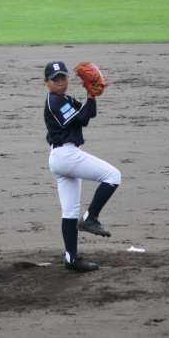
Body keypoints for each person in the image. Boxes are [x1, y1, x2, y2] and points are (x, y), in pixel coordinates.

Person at [43, 61, 121, 272]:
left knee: (69, 212)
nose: (60, 83)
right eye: (55, 80)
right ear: (46, 82)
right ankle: (89, 218)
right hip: (67, 156)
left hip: (61, 158)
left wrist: (91, 95)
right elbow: (84, 120)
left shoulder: (65, 99)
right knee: (113, 175)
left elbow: (90, 113)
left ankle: (71, 258)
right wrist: (90, 96)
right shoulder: (55, 102)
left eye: (63, 78)